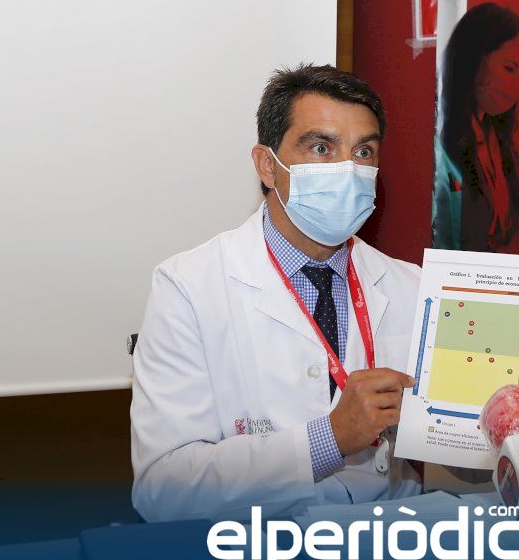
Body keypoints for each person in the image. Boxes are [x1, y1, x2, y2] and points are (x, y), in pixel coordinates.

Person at [130, 65, 425, 523]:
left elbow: (460, 461)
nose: (348, 169)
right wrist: (328, 439)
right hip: (255, 543)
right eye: (322, 147)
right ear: (268, 165)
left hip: (390, 537)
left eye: (363, 151)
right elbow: (162, 490)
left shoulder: (412, 286)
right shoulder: (187, 287)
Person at [432, 3, 519, 254]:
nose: (516, 88)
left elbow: (491, 209)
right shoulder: (443, 144)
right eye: (509, 68)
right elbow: (461, 226)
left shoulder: (492, 131)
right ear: (474, 60)